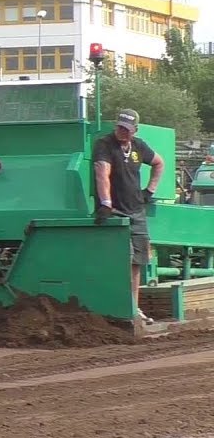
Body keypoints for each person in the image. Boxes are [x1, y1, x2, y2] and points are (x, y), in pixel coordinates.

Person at [92, 108, 164, 325]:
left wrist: (150, 190)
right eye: (120, 127)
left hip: (137, 211)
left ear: (135, 130)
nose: (122, 132)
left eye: (127, 129)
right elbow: (102, 173)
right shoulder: (104, 145)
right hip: (115, 212)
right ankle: (113, 308)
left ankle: (133, 308)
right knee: (117, 261)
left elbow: (159, 163)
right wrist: (105, 203)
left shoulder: (139, 146)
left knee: (136, 262)